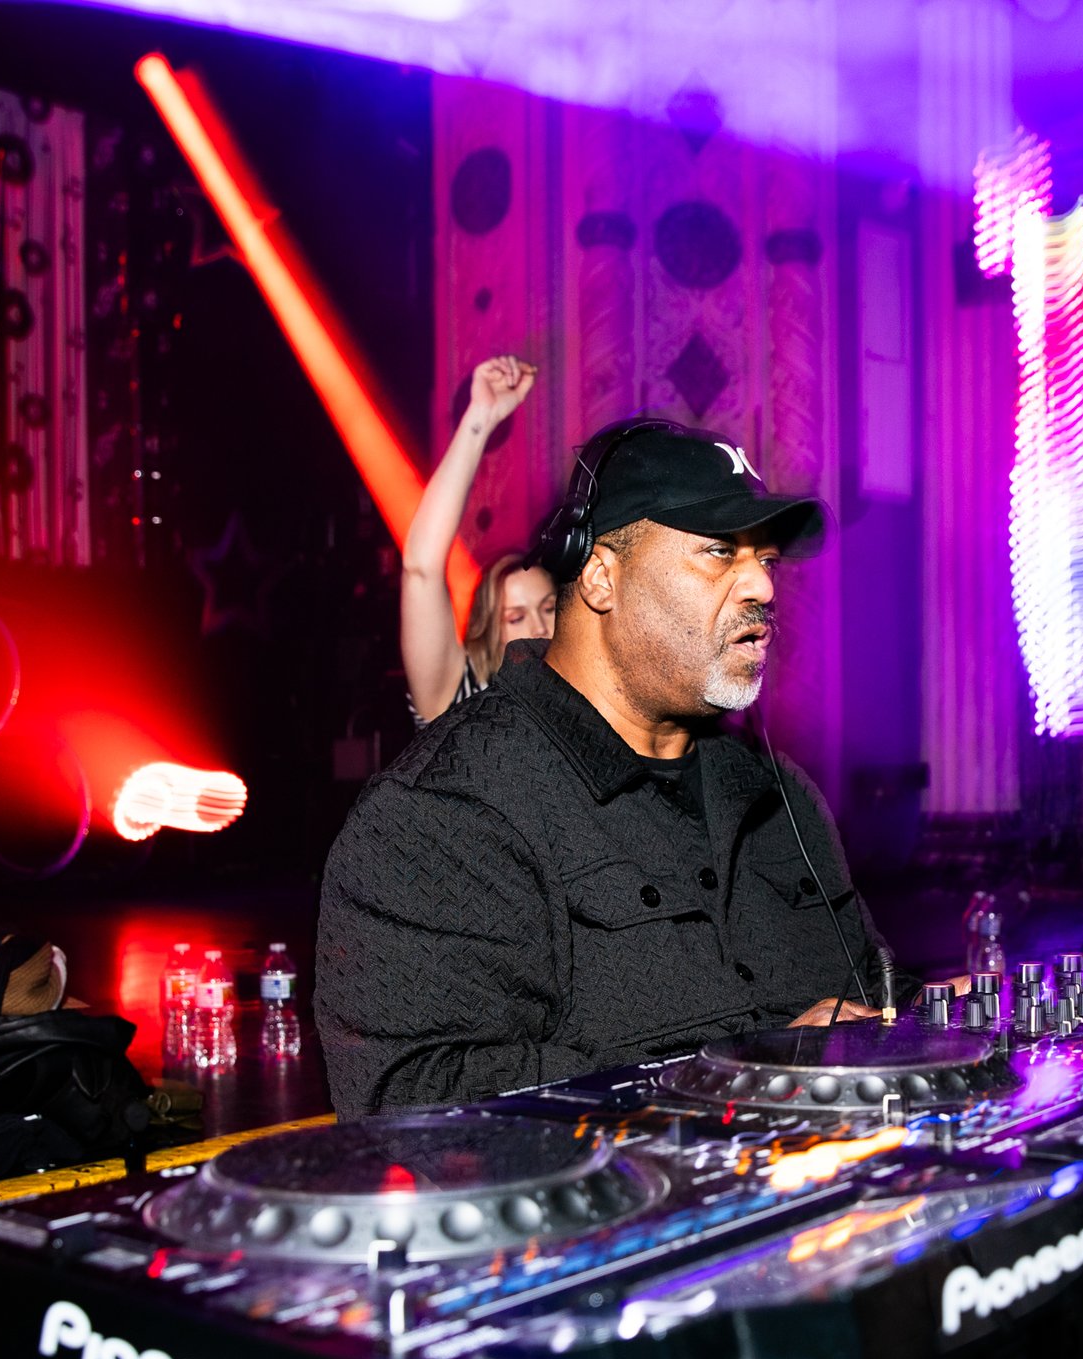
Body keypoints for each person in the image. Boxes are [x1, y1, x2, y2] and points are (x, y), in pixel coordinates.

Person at [318, 420, 886, 1112]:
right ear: (599, 576)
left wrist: (947, 1017)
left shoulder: (782, 796)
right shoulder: (444, 813)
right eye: (718, 551)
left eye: (766, 559)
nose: (763, 586)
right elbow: (419, 1107)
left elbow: (870, 994)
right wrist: (738, 1071)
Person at [395, 355, 554, 721]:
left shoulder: (591, 698)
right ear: (488, 631)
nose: (539, 628)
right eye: (515, 617)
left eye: (549, 608)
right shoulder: (462, 695)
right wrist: (481, 415)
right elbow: (421, 567)